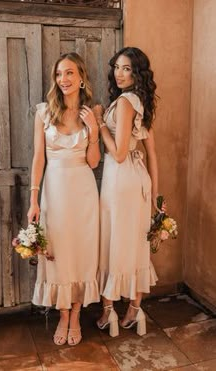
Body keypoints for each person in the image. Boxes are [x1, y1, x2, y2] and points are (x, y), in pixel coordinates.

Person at [27, 52, 101, 346]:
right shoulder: (44, 112)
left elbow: (94, 163)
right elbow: (38, 159)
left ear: (81, 77)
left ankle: (76, 314)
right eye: (59, 74)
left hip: (83, 191)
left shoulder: (90, 112)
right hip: (54, 193)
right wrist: (34, 200)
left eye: (69, 73)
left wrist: (93, 131)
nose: (63, 80)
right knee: (56, 253)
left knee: (81, 252)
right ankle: (62, 314)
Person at [96, 47, 160, 337]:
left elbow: (119, 154)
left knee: (114, 241)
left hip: (120, 178)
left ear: (137, 74)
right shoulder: (140, 101)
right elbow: (152, 154)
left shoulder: (124, 102)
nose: (119, 74)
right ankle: (135, 309)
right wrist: (155, 199)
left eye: (127, 69)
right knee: (135, 242)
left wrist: (99, 126)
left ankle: (108, 310)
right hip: (138, 180)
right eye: (117, 68)